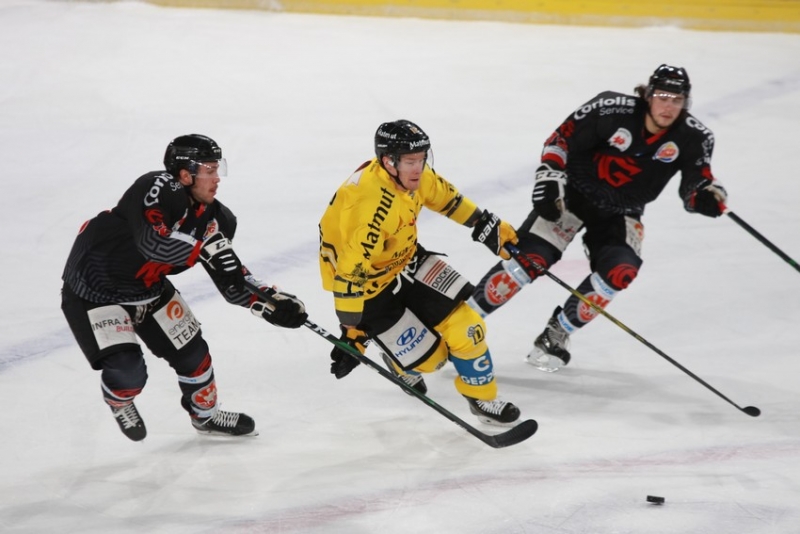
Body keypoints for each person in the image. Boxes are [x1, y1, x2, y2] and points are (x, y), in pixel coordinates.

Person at [468, 64, 728, 372]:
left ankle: (558, 332)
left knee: (621, 271)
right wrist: (549, 178)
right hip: (573, 195)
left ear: (686, 102)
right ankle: (461, 323)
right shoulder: (609, 109)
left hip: (622, 211)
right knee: (528, 260)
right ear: (647, 95)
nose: (668, 106)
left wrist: (706, 197)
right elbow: (561, 138)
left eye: (677, 99)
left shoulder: (694, 137)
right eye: (662, 96)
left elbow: (696, 184)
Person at [61, 134, 308, 441]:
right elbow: (153, 244)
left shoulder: (218, 220)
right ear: (184, 173)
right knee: (128, 372)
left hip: (148, 289)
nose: (217, 179)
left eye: (218, 169)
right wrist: (204, 246)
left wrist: (270, 303)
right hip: (95, 291)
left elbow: (231, 282)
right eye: (209, 170)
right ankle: (119, 399)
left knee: (195, 356)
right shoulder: (157, 188)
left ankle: (206, 417)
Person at [318, 119, 523, 426]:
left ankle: (482, 399)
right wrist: (354, 332)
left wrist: (484, 224)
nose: (419, 168)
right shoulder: (369, 207)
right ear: (389, 162)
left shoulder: (410, 175)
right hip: (370, 290)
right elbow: (350, 275)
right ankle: (401, 363)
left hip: (408, 261)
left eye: (422, 159)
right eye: (411, 162)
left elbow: (445, 198)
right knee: (435, 359)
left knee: (469, 328)